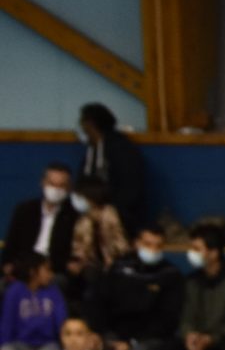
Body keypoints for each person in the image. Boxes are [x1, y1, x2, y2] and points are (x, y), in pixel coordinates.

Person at [90, 222, 190, 350]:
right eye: (148, 244)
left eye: (158, 246)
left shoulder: (170, 275)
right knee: (93, 346)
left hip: (147, 338)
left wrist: (131, 343)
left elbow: (167, 319)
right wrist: (98, 332)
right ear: (136, 243)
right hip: (114, 333)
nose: (153, 250)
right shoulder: (118, 269)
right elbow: (99, 302)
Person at [76, 102, 146, 236]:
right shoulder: (91, 151)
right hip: (91, 214)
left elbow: (130, 192)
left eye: (82, 124)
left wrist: (106, 212)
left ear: (90, 124)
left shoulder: (123, 151)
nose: (81, 129)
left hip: (119, 218)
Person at [3, 159, 77, 286]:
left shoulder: (73, 217)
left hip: (54, 272)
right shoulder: (25, 210)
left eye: (61, 186)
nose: (56, 190)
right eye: (52, 184)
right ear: (43, 183)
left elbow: (69, 257)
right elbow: (11, 245)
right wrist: (7, 265)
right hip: (24, 269)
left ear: (69, 188)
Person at [0, 254, 67, 350]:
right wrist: (4, 343)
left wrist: (63, 344)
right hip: (22, 344)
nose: (51, 274)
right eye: (47, 270)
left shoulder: (54, 291)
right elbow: (7, 323)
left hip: (48, 343)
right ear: (33, 271)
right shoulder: (15, 291)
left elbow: (61, 321)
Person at [66, 174, 129, 293]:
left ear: (91, 197)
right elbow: (80, 248)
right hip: (93, 266)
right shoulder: (83, 221)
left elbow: (121, 248)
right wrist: (78, 263)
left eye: (79, 196)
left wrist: (111, 262)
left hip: (115, 265)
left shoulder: (110, 215)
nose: (75, 200)